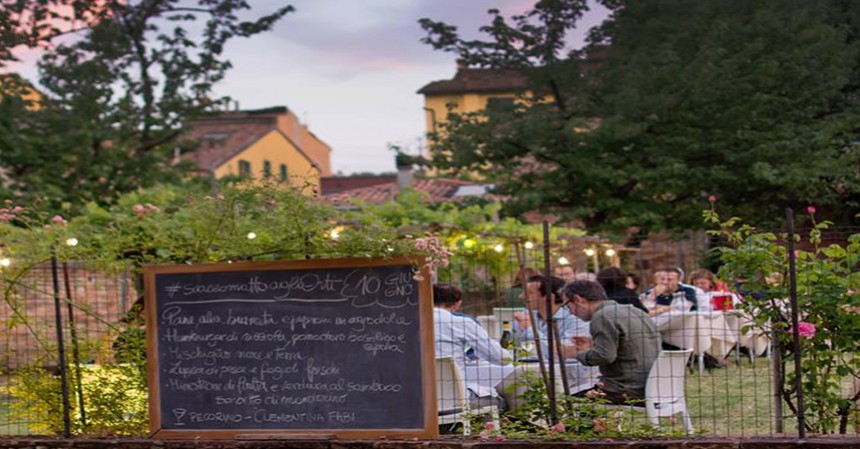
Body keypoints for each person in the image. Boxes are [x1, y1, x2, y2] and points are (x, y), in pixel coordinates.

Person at [560, 280, 661, 405]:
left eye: (568, 306)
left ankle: (589, 425)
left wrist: (574, 353)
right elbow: (631, 345)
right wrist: (593, 344)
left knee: (563, 403)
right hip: (653, 386)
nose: (570, 312)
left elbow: (604, 357)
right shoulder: (635, 311)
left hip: (626, 389)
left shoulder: (602, 316)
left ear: (578, 299)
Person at [433, 283, 511, 409]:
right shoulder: (461, 323)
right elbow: (502, 359)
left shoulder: (409, 322)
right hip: (456, 400)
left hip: (414, 400)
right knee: (502, 400)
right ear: (457, 304)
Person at [512, 275, 590, 356]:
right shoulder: (525, 315)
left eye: (529, 293)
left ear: (549, 297)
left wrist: (529, 329)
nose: (520, 296)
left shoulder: (576, 320)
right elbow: (512, 348)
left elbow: (562, 352)